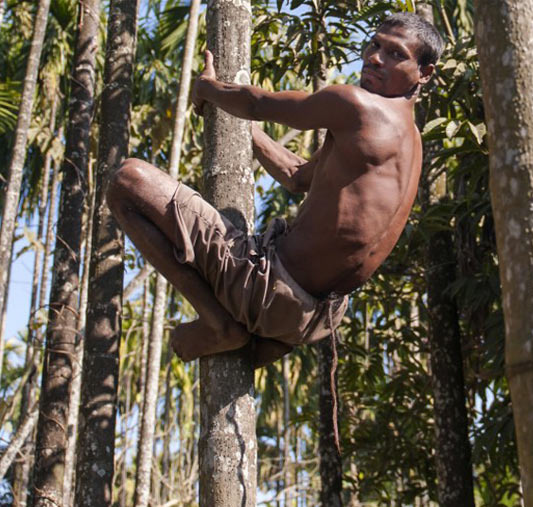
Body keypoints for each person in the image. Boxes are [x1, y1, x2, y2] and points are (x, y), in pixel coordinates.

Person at [107, 12, 444, 367]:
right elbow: (296, 176)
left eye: (395, 54)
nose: (375, 57)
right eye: (374, 45)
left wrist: (208, 89)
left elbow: (257, 104)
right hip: (310, 320)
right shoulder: (408, 142)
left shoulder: (358, 106)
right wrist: (244, 131)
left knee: (127, 180)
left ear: (424, 73)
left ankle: (219, 324)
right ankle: (251, 332)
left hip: (265, 287)